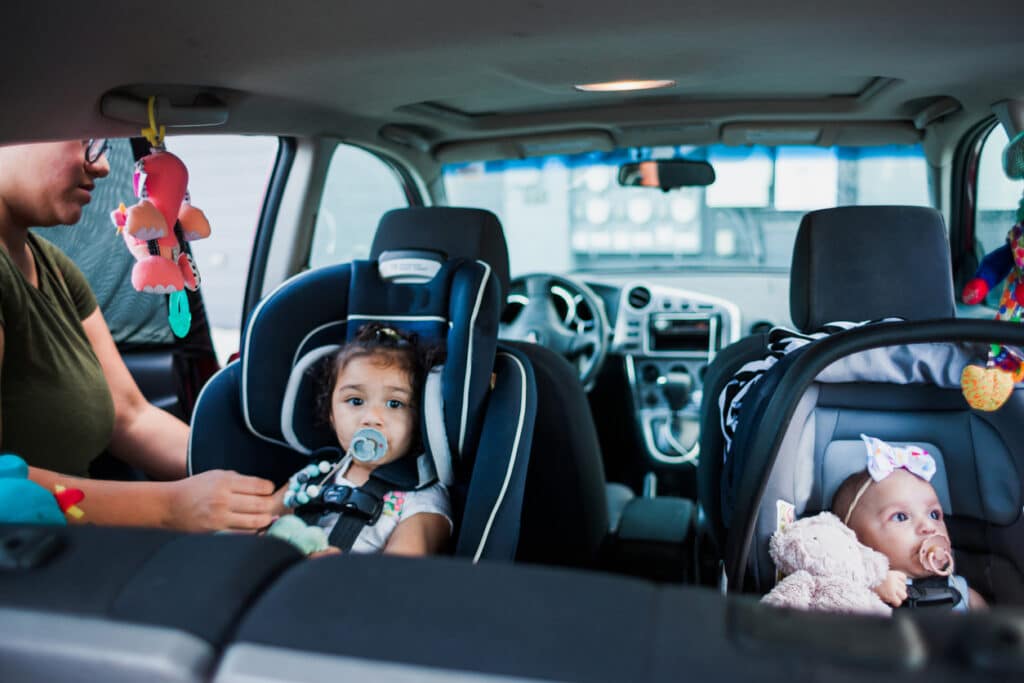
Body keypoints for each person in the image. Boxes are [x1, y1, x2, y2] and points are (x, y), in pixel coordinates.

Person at [0, 139, 280, 531]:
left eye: (101, 145)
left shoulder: (53, 266)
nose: (102, 166)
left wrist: (262, 473)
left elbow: (130, 417)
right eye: (84, 141)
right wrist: (170, 508)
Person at [286, 322, 451, 556]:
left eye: (394, 403)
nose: (371, 418)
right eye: (355, 401)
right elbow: (263, 519)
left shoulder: (422, 499)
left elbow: (401, 568)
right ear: (331, 414)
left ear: (421, 419)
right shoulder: (315, 475)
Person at [832, 434, 987, 610]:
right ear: (853, 539)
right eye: (900, 517)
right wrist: (872, 588)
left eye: (934, 515)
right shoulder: (857, 594)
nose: (928, 527)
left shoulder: (961, 592)